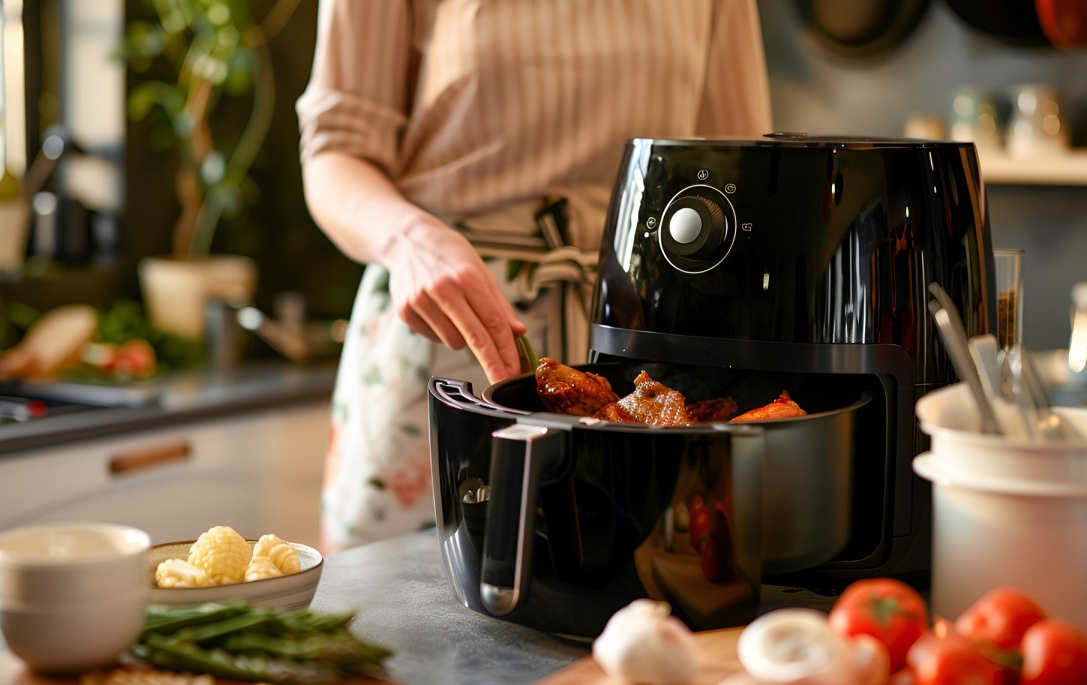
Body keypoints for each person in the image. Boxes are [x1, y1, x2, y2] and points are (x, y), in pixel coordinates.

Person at [297, 0, 772, 551]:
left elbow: (743, 165)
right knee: (402, 610)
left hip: (637, 345)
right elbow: (336, 152)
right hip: (448, 328)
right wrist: (410, 242)